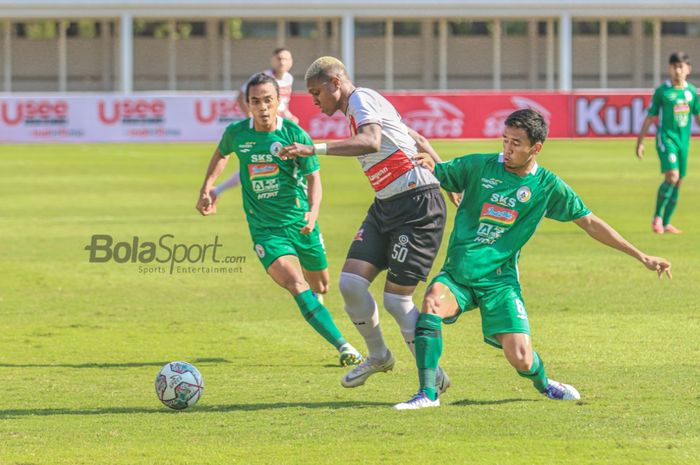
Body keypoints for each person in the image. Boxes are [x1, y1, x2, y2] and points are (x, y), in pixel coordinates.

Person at [393, 109, 672, 410]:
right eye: (504, 140)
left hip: (500, 282)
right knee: (433, 300)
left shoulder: (547, 186)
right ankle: (427, 393)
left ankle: (545, 384)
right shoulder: (478, 166)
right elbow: (442, 170)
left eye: (516, 143)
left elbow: (590, 223)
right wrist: (430, 164)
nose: (507, 148)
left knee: (521, 358)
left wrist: (641, 255)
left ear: (535, 147)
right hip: (458, 275)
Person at [279, 56, 459, 393]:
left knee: (396, 301)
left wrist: (311, 149)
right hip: (386, 205)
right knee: (349, 284)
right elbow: (415, 136)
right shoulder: (361, 108)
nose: (315, 101)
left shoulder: (361, 98)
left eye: (317, 92)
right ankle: (379, 356)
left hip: (417, 204)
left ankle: (430, 370)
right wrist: (446, 172)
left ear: (335, 81)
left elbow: (372, 141)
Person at [196, 72, 362, 367]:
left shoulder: (295, 135)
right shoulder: (237, 133)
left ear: (279, 101)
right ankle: (344, 346)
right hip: (265, 230)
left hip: (301, 222)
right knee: (296, 285)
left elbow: (314, 178)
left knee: (321, 285)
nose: (261, 107)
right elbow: (221, 154)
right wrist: (208, 187)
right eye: (255, 101)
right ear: (247, 103)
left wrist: (313, 211)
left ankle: (316, 304)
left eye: (267, 100)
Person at [213, 48, 299, 201]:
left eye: (286, 59)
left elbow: (282, 104)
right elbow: (240, 96)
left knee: (275, 162)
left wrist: (289, 116)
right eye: (279, 58)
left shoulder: (288, 79)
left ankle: (282, 194)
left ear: (291, 62)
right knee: (257, 163)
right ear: (272, 60)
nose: (282, 62)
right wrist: (252, 117)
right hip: (265, 129)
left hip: (279, 128)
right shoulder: (262, 78)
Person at [635, 51, 700, 234]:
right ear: (669, 69)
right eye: (674, 67)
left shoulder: (691, 92)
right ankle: (657, 218)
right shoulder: (662, 92)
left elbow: (698, 116)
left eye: (681, 67)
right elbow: (649, 118)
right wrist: (640, 142)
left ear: (688, 69)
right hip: (666, 139)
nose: (678, 70)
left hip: (684, 143)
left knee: (678, 181)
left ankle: (666, 223)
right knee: (672, 176)